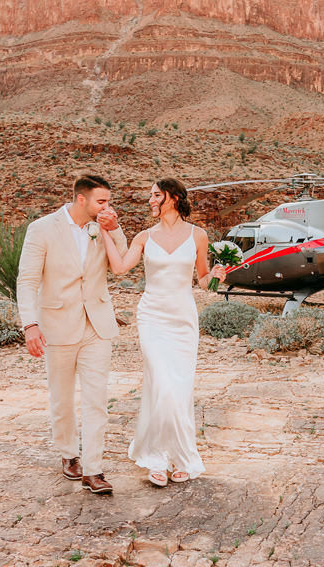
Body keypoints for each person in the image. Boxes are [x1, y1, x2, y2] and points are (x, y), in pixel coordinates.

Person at [101, 178, 226, 486]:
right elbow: (119, 268)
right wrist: (102, 230)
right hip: (152, 317)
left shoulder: (199, 235)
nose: (150, 200)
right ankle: (156, 458)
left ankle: (182, 457)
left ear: (173, 198)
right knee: (164, 385)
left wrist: (217, 277)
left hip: (183, 320)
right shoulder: (144, 236)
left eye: (155, 195)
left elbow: (202, 280)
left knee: (178, 390)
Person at [16, 174, 128, 494]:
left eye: (108, 201)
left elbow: (122, 262)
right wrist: (30, 324)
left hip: (97, 324)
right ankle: (69, 454)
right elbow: (27, 281)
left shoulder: (100, 227)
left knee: (96, 400)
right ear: (82, 200)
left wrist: (113, 227)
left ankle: (93, 471)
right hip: (56, 325)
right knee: (62, 400)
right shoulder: (42, 229)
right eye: (101, 201)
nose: (107, 206)